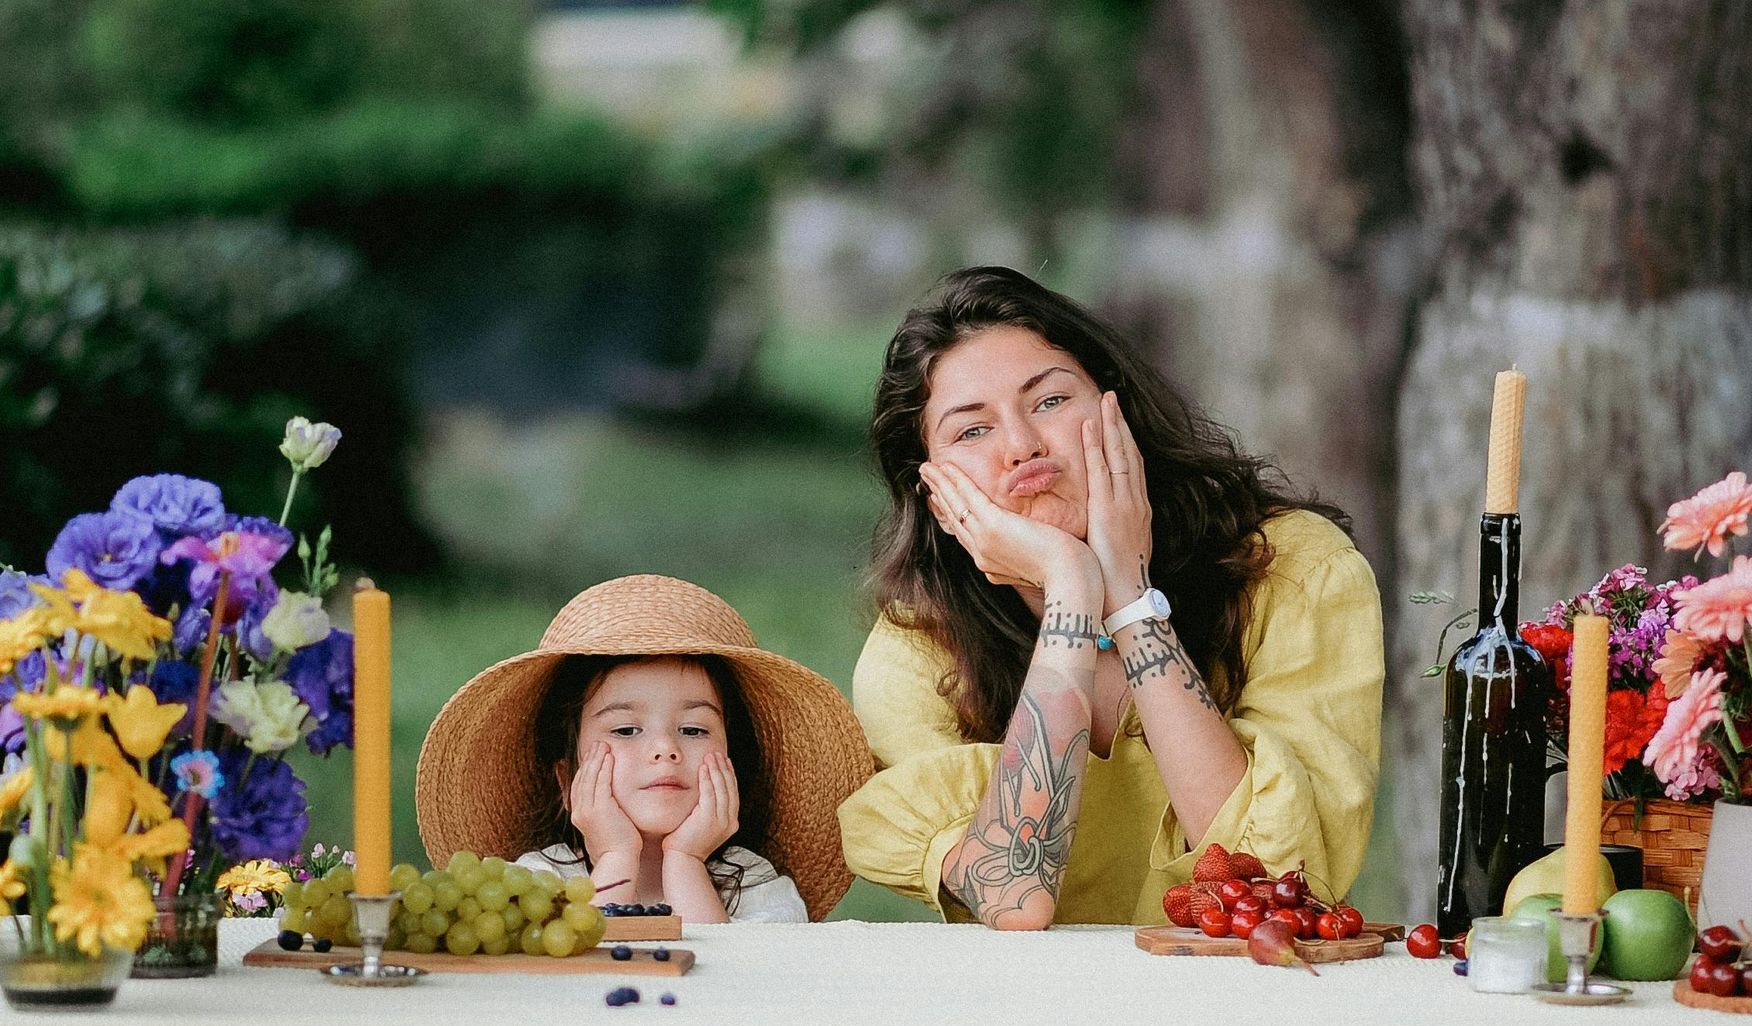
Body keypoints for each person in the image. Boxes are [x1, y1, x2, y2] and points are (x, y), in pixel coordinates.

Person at [837, 266, 1384, 929]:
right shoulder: (917, 656)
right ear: (933, 491)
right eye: (971, 430)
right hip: (1034, 1021)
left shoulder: (1298, 571)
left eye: (1049, 401)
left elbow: (1271, 886)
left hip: (1245, 1004)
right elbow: (1011, 892)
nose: (1021, 445)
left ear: (1112, 405)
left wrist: (1128, 596)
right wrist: (1071, 586)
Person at [415, 575, 872, 922]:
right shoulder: (538, 882)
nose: (664, 749)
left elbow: (725, 999)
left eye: (693, 730)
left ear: (733, 764)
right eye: (626, 730)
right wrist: (614, 856)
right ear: (567, 780)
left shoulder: (759, 887)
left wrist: (687, 861)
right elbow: (573, 982)